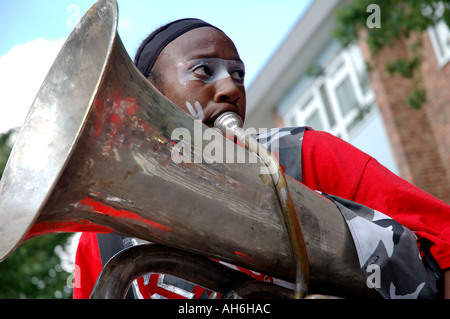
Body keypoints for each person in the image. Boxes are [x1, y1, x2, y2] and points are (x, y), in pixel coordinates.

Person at [73, 18, 450, 299]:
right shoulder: (104, 235)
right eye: (204, 70)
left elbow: (443, 239)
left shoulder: (305, 153)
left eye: (238, 73)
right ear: (149, 93)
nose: (230, 87)